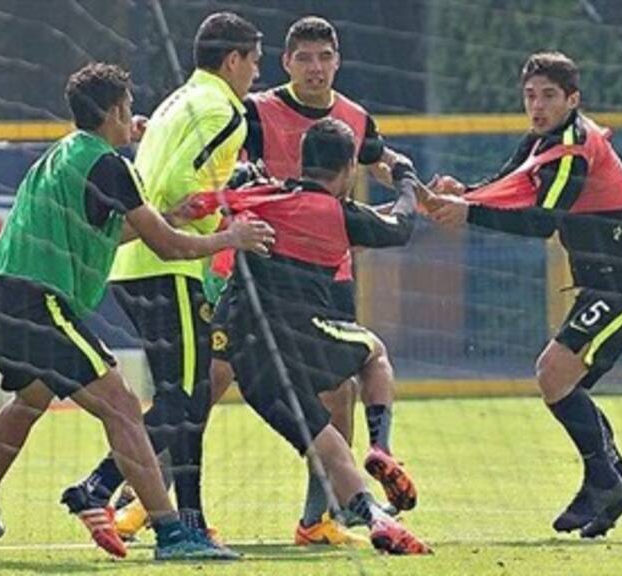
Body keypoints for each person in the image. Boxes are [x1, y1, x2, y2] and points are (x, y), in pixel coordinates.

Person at [0, 62, 274, 561]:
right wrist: (231, 237)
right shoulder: (108, 163)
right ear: (113, 111)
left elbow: (119, 231)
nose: (134, 118)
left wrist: (167, 214)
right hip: (34, 301)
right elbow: (167, 249)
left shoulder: (64, 153)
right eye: (128, 109)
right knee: (122, 404)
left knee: (31, 398)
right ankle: (172, 533)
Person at [427, 51, 622, 538]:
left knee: (554, 375)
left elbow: (542, 219)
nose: (537, 105)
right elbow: (508, 187)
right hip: (603, 286)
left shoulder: (575, 145)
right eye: (530, 95)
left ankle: (604, 481)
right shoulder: (541, 142)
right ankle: (619, 482)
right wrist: (467, 193)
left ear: (573, 100)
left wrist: (467, 211)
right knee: (563, 382)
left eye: (549, 96)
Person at [205, 15, 415, 547]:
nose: (315, 68)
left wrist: (410, 179)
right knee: (204, 384)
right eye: (305, 58)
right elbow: (215, 160)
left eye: (324, 58)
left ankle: (318, 518)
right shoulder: (254, 110)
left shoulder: (357, 119)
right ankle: (126, 491)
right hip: (250, 271)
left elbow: (380, 159)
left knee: (332, 397)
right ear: (286, 63)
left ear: (337, 61)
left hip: (324, 279)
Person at [60, 12, 264, 542]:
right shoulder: (225, 109)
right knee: (187, 397)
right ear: (233, 59)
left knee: (185, 396)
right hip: (167, 266)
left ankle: (185, 520)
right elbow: (178, 188)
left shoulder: (178, 99)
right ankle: (100, 485)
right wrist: (229, 206)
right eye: (254, 60)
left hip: (133, 265)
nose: (256, 72)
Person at [185, 118, 432, 555]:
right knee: (373, 352)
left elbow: (206, 201)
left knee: (324, 443)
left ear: (302, 161)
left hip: (250, 357)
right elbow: (400, 225)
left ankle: (376, 518)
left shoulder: (263, 197)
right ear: (350, 167)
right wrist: (407, 180)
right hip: (301, 335)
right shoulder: (338, 213)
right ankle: (382, 446)